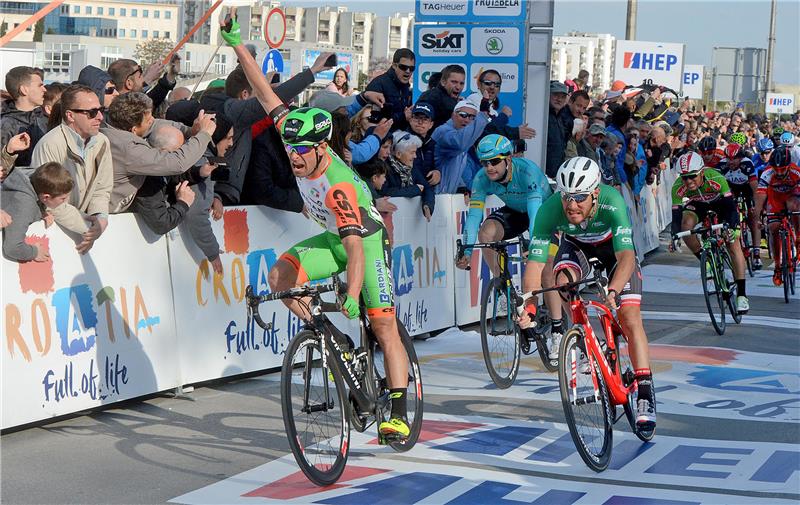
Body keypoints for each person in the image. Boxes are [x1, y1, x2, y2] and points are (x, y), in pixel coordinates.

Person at [220, 17, 412, 440]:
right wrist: (237, 44)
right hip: (331, 237)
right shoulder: (294, 135)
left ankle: (397, 409)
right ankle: (329, 339)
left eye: (304, 153)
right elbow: (266, 91)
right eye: (292, 151)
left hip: (366, 241)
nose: (296, 160)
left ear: (323, 147)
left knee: (382, 324)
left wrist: (349, 292)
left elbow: (356, 251)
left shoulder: (337, 187)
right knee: (281, 277)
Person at [525, 157, 656, 430]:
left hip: (614, 252)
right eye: (567, 198)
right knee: (561, 281)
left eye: (580, 198)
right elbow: (536, 264)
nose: (572, 206)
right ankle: (583, 338)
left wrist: (613, 290)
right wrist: (529, 307)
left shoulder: (613, 202)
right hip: (578, 247)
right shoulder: (550, 210)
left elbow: (626, 257)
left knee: (630, 317)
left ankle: (645, 392)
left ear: (595, 193)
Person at [456, 134, 559, 355]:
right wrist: (466, 249)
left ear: (508, 159)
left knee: (545, 271)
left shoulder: (527, 171)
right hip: (515, 211)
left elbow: (535, 215)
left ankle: (558, 332)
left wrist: (533, 245)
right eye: (484, 163)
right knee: (487, 233)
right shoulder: (481, 179)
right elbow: (474, 217)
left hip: (543, 212)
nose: (489, 168)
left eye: (494, 161)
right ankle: (504, 285)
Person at [100, 91, 216, 214]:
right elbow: (177, 163)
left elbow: (156, 124)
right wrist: (204, 134)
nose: (152, 121)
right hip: (106, 219)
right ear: (134, 130)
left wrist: (191, 131)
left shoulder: (114, 129)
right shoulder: (126, 149)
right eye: (148, 120)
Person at [30, 84, 113, 254]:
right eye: (91, 112)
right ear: (70, 115)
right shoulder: (49, 144)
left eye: (101, 109)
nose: (99, 116)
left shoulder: (102, 141)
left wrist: (101, 218)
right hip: (52, 233)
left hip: (81, 231)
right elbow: (50, 201)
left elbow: (102, 188)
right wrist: (88, 227)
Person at [132, 124, 224, 275]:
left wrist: (199, 172)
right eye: (179, 153)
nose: (183, 157)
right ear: (163, 153)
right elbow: (160, 224)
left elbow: (173, 174)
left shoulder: (160, 165)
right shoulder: (147, 180)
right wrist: (183, 203)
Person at [669, 152, 749, 313]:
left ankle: (742, 295)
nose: (688, 182)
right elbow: (676, 215)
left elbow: (730, 207)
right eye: (684, 177)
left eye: (692, 176)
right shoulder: (678, 187)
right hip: (699, 206)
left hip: (721, 206)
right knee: (686, 224)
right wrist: (674, 236)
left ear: (702, 172)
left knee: (733, 244)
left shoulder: (716, 178)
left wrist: (733, 228)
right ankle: (705, 260)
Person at [1, 162, 73, 262]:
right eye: (63, 198)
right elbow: (12, 248)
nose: (66, 201)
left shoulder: (33, 176)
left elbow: (35, 195)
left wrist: (40, 211)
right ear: (46, 197)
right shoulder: (24, 205)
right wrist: (34, 252)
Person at [754, 146, 800, 286]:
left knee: (794, 206)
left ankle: (798, 238)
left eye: (783, 169)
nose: (779, 173)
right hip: (775, 199)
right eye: (776, 169)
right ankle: (778, 266)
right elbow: (760, 197)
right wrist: (758, 217)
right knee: (773, 227)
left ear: (789, 165)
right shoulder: (767, 173)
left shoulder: (796, 172)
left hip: (792, 196)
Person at [431, 95, 489, 194]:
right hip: (434, 195)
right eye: (463, 114)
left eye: (472, 117)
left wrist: (461, 187)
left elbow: (452, 166)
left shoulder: (462, 137)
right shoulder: (443, 132)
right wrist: (482, 114)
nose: (467, 120)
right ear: (453, 115)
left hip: (445, 196)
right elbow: (460, 143)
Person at [717, 143, 760, 269]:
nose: (731, 162)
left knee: (753, 217)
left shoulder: (747, 164)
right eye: (728, 158)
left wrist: (756, 205)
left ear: (740, 158)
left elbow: (755, 187)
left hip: (747, 188)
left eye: (734, 159)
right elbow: (720, 187)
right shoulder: (722, 165)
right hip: (731, 188)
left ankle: (756, 252)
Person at [1, 66, 47, 170]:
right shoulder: (5, 126)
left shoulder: (45, 119)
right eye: (40, 85)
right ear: (24, 90)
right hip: (18, 185)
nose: (44, 89)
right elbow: (2, 170)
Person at [382, 130, 434, 220]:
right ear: (398, 154)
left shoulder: (412, 169)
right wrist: (415, 190)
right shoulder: (385, 168)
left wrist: (427, 205)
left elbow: (427, 188)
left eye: (415, 152)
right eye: (412, 152)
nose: (415, 156)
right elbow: (386, 192)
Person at [365, 48, 415, 131]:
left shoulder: (406, 87)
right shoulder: (378, 84)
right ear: (394, 65)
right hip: (379, 137)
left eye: (411, 68)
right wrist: (403, 116)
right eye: (403, 67)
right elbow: (373, 119)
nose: (408, 71)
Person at [107, 56, 180, 111]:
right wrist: (149, 79)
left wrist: (171, 75)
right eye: (140, 76)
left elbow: (153, 97)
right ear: (129, 83)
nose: (143, 79)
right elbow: (152, 100)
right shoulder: (127, 110)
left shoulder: (108, 104)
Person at [418, 64, 465, 129]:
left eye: (461, 83)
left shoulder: (452, 99)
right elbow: (419, 126)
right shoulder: (431, 97)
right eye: (454, 82)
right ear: (443, 82)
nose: (458, 87)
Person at [404, 102, 439, 187]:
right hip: (407, 191)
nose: (420, 122)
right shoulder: (401, 140)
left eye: (425, 119)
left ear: (431, 124)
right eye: (417, 117)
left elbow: (438, 165)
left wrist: (437, 172)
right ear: (410, 120)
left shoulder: (433, 144)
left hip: (428, 191)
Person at [545, 81, 569, 178]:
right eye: (555, 95)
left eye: (563, 96)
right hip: (545, 172)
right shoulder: (543, 116)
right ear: (548, 95)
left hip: (556, 173)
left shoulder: (561, 117)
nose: (559, 99)